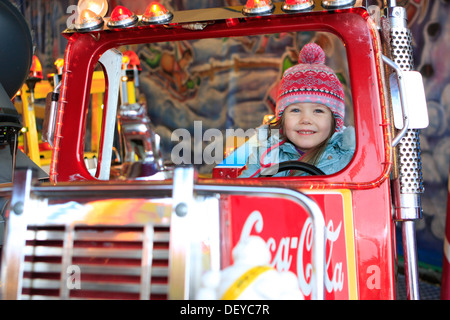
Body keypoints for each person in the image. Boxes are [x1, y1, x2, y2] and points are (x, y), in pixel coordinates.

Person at [239, 43, 355, 178]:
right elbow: (244, 191)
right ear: (282, 118)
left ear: (335, 120)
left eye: (318, 111)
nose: (306, 120)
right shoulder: (266, 154)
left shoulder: (351, 157)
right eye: (295, 110)